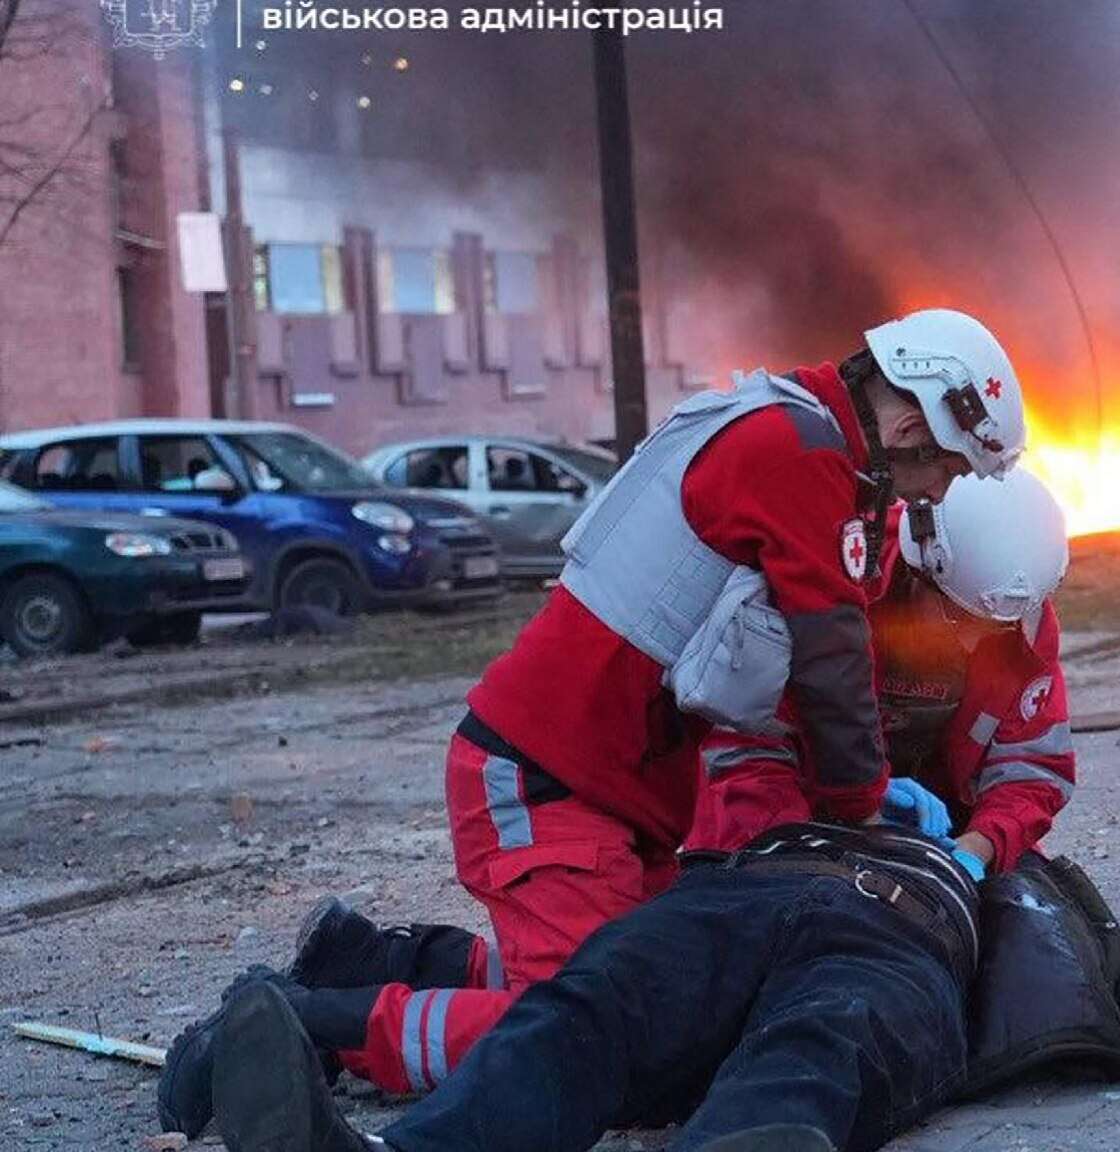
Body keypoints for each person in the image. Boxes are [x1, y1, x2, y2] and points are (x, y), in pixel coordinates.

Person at [156, 309, 1030, 1136]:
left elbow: (794, 674)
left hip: (607, 792)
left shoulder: (790, 434)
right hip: (549, 781)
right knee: (587, 1033)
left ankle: (369, 962)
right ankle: (306, 1028)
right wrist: (863, 807)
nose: (938, 492)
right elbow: (831, 658)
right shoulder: (797, 454)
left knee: (666, 998)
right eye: (949, 472)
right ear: (917, 429)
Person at [199, 823, 1120, 1152]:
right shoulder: (798, 752)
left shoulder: (1012, 850)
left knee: (820, 1047)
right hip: (740, 899)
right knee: (588, 1010)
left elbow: (1101, 950)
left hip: (899, 946)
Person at [690, 469, 1076, 879]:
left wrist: (978, 849)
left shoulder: (1012, 614)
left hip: (943, 838)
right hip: (790, 820)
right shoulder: (824, 586)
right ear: (919, 572)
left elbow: (1032, 769)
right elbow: (746, 753)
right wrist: (831, 828)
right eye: (957, 616)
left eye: (992, 627)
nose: (971, 640)